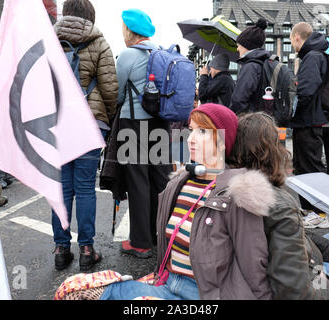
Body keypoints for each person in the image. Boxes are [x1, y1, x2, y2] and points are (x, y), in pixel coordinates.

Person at [96, 103, 275, 299]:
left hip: (203, 295)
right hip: (167, 283)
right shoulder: (180, 183)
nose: (191, 139)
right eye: (191, 130)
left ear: (223, 141)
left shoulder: (239, 193)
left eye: (203, 132)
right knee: (79, 289)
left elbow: (253, 268)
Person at [229, 112, 329, 299]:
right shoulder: (280, 204)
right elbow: (294, 289)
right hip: (310, 275)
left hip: (303, 259)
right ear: (272, 150)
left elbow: (293, 233)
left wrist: (328, 250)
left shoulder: (227, 184)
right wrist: (328, 291)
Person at [52, 0, 118, 271]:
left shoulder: (49, 41)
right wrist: (107, 116)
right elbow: (110, 90)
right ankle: (87, 250)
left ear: (66, 13)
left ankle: (61, 249)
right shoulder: (99, 42)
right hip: (90, 124)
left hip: (56, 125)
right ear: (90, 15)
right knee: (85, 188)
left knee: (61, 189)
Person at [115, 8, 172, 258]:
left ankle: (141, 242)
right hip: (162, 124)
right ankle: (164, 235)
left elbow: (116, 93)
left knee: (138, 180)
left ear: (129, 30)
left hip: (133, 124)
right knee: (161, 180)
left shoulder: (127, 55)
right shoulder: (163, 53)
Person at [289, 22, 328, 212]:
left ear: (297, 37)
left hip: (308, 121)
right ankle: (310, 210)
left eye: (291, 40)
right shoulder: (315, 55)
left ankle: (319, 213)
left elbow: (305, 90)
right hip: (309, 120)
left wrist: (292, 111)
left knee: (310, 168)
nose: (292, 45)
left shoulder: (312, 56)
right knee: (305, 168)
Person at [230, 18, 270, 114]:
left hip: (248, 122)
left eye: (239, 45)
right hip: (261, 119)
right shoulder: (264, 62)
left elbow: (238, 100)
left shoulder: (250, 66)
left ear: (246, 45)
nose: (237, 48)